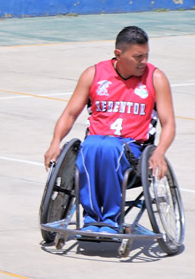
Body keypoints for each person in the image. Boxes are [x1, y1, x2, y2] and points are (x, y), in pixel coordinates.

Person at [43, 26, 176, 234]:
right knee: (93, 145)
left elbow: (169, 123)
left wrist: (160, 151)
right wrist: (55, 142)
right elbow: (70, 114)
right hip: (96, 144)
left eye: (146, 56)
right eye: (138, 57)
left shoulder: (156, 78)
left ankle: (110, 220)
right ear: (118, 54)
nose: (143, 62)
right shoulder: (94, 74)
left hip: (134, 150)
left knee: (110, 147)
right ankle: (91, 218)